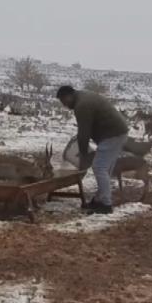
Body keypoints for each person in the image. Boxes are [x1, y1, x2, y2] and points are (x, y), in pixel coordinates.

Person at [56, 85, 128, 214]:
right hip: (118, 133)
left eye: (64, 101)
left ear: (68, 96)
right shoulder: (83, 96)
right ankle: (99, 199)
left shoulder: (81, 105)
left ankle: (106, 204)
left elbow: (84, 132)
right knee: (104, 169)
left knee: (99, 167)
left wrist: (82, 154)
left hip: (112, 135)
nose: (65, 105)